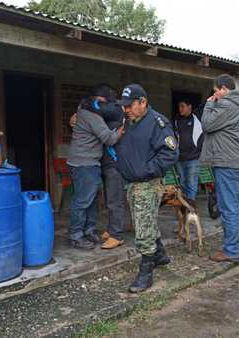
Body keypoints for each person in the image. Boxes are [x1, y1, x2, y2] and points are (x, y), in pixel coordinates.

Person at [115, 84, 179, 293]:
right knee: (145, 219)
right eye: (124, 106)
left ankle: (146, 270)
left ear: (143, 102)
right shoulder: (130, 120)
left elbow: (170, 153)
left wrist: (146, 171)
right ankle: (160, 254)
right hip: (132, 182)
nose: (126, 110)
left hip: (147, 183)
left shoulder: (157, 123)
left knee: (142, 226)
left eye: (130, 105)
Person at [199, 74, 239, 263]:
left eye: (216, 91)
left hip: (227, 163)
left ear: (224, 89)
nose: (215, 95)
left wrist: (209, 104)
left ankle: (231, 250)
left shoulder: (225, 105)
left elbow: (207, 124)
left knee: (229, 207)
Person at [69, 85, 128, 250]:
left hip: (102, 163)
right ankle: (76, 234)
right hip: (86, 163)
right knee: (83, 200)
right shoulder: (91, 113)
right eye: (102, 102)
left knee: (97, 200)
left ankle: (94, 231)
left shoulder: (95, 111)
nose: (104, 106)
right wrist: (120, 131)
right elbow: (108, 138)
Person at [173, 99, 204, 206]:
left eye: (182, 106)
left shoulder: (197, 118)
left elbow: (206, 105)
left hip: (194, 158)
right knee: (182, 183)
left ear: (189, 106)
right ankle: (185, 206)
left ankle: (190, 208)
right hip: (180, 159)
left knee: (192, 184)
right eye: (179, 106)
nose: (180, 109)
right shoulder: (176, 120)